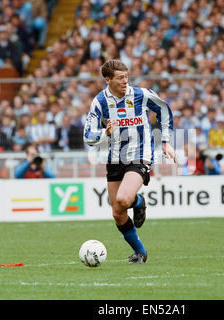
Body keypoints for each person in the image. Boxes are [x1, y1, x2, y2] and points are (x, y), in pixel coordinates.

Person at [83, 59, 175, 264]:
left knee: (124, 200)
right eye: (120, 78)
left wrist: (166, 141)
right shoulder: (100, 102)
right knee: (117, 212)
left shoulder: (141, 95)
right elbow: (88, 135)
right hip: (115, 158)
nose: (125, 81)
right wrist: (104, 133)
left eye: (127, 77)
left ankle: (139, 202)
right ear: (107, 80)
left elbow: (164, 110)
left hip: (140, 154)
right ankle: (140, 253)